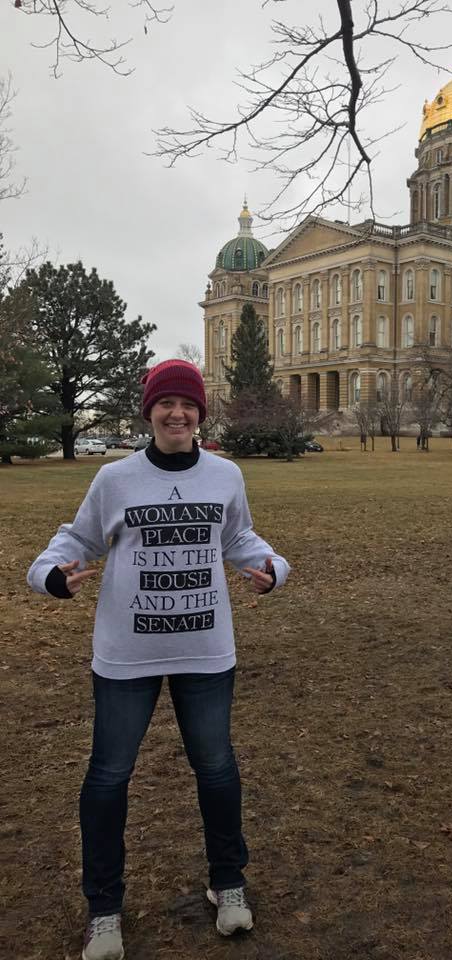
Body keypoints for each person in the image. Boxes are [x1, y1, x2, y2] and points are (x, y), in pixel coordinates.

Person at [27, 359, 290, 960]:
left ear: (201, 414)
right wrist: (50, 575)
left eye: (188, 405)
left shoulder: (225, 475)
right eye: (166, 404)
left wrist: (273, 567)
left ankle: (228, 882)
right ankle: (104, 910)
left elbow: (238, 538)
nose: (178, 414)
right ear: (149, 412)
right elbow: (78, 539)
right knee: (108, 776)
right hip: (127, 655)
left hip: (206, 651)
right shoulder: (115, 478)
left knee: (217, 769)